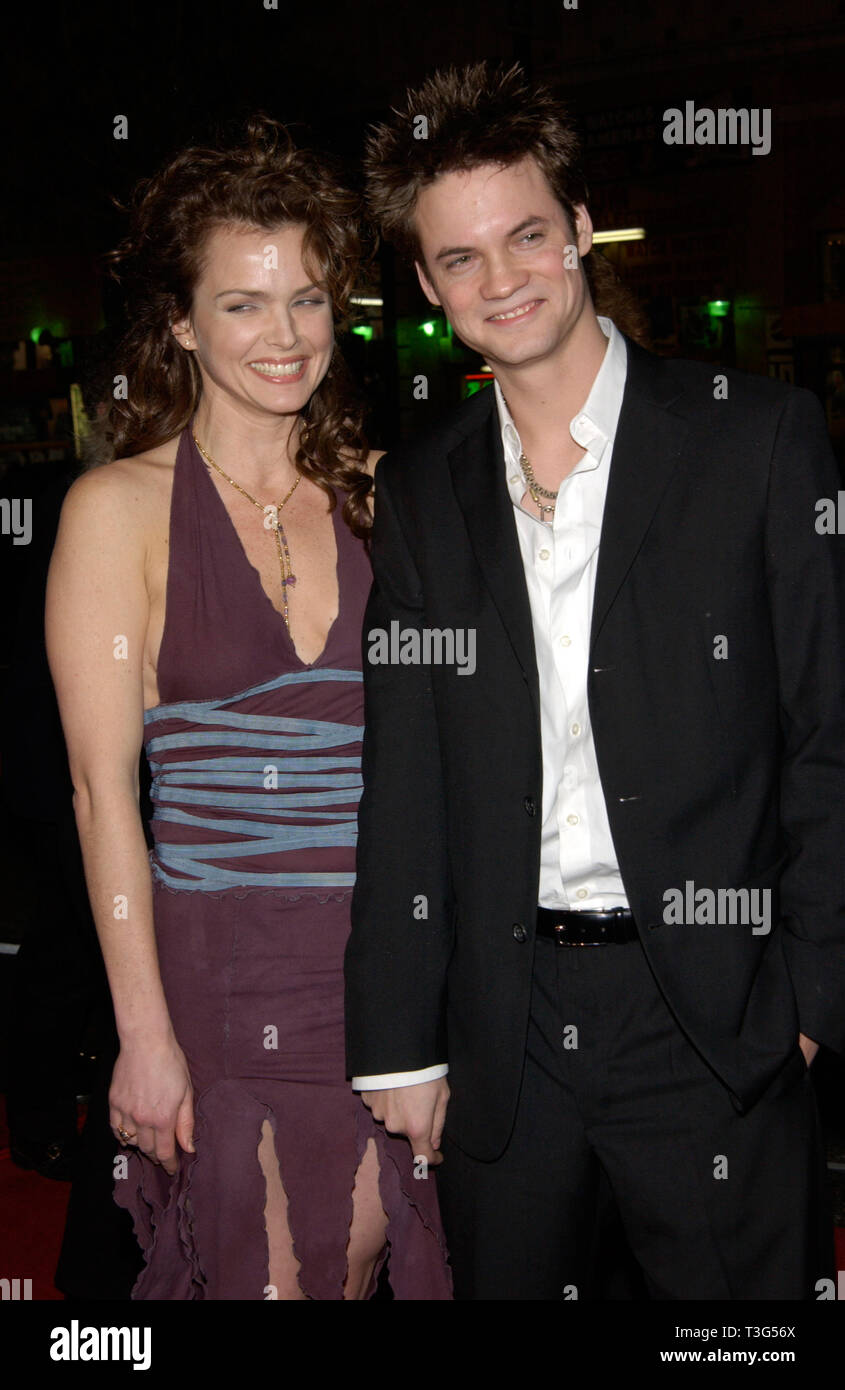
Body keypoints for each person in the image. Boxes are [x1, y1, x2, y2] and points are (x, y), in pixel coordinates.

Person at [345, 61, 845, 1300]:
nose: (499, 278)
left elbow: (825, 735)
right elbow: (401, 782)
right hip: (506, 1026)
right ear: (424, 285)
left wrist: (807, 993)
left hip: (714, 1014)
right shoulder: (419, 491)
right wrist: (400, 1041)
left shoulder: (756, 437)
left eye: (524, 235)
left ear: (578, 228)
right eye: (459, 259)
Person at [45, 117, 451, 1300]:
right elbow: (98, 793)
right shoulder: (116, 511)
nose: (285, 336)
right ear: (178, 321)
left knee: (354, 1258)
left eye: (309, 301)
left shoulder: (387, 495)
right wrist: (144, 1032)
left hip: (376, 960)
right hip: (214, 971)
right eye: (242, 304)